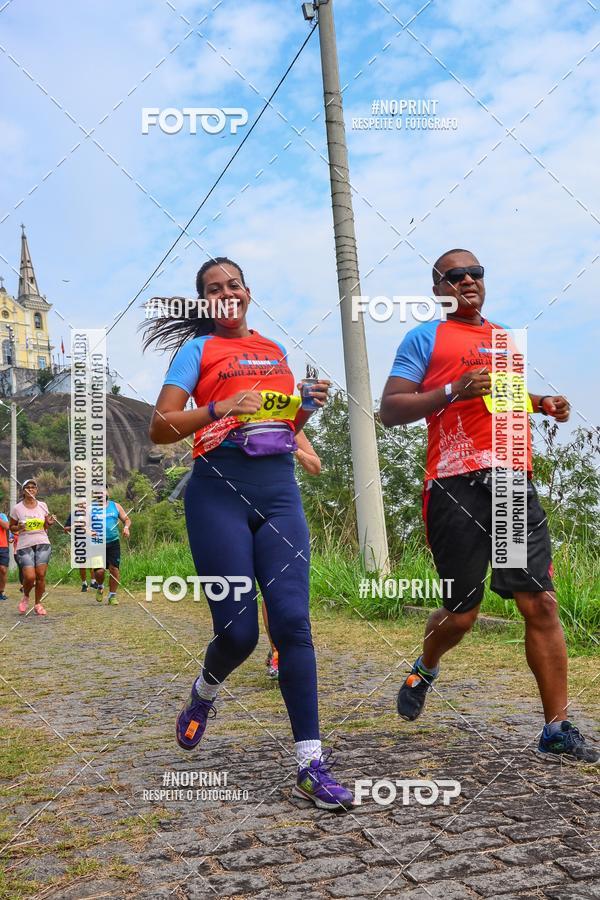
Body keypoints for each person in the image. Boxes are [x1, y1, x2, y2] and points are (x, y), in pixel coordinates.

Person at [146, 256, 354, 810]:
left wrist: (305, 409)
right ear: (205, 302)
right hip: (218, 490)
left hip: (279, 491)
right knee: (239, 634)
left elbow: (284, 429)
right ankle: (204, 693)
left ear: (247, 291)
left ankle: (310, 764)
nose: (226, 293)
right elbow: (160, 427)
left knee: (293, 624)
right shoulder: (197, 351)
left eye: (233, 284)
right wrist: (219, 405)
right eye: (213, 289)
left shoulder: (275, 351)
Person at [380, 248, 598, 764]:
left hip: (510, 484)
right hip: (454, 483)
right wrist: (452, 389)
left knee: (539, 602)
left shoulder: (503, 339)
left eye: (476, 273)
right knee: (462, 615)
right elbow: (390, 409)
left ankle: (556, 726)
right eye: (455, 277)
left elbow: (503, 399)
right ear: (439, 289)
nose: (468, 281)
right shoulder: (424, 338)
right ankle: (426, 665)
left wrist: (541, 403)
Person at [263, 430, 322, 679]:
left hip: (280, 507)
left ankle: (280, 651)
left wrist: (293, 448)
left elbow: (315, 466)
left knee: (280, 586)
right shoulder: (236, 413)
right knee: (265, 589)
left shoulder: (289, 423)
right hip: (239, 506)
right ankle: (276, 648)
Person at [9, 478, 55, 616]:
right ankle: (26, 596)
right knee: (29, 577)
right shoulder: (17, 508)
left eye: (33, 487)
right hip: (25, 544)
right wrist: (19, 527)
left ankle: (38, 604)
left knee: (40, 575)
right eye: (27, 487)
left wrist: (49, 523)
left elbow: (45, 526)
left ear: (37, 490)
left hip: (42, 542)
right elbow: (12, 528)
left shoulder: (42, 505)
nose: (31, 489)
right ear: (23, 491)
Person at [91, 493, 131, 605]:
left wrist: (126, 527)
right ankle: (100, 586)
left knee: (114, 569)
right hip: (96, 543)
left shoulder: (116, 506)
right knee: (99, 571)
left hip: (113, 542)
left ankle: (112, 596)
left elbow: (126, 519)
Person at [63, 513, 100, 592]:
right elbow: (65, 529)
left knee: (93, 562)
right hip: (79, 542)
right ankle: (84, 584)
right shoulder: (73, 515)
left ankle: (93, 582)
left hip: (91, 541)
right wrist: (74, 526)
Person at [0, 511, 10, 601]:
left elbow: (7, 526)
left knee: (3, 569)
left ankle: (1, 591)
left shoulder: (2, 515)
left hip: (3, 546)